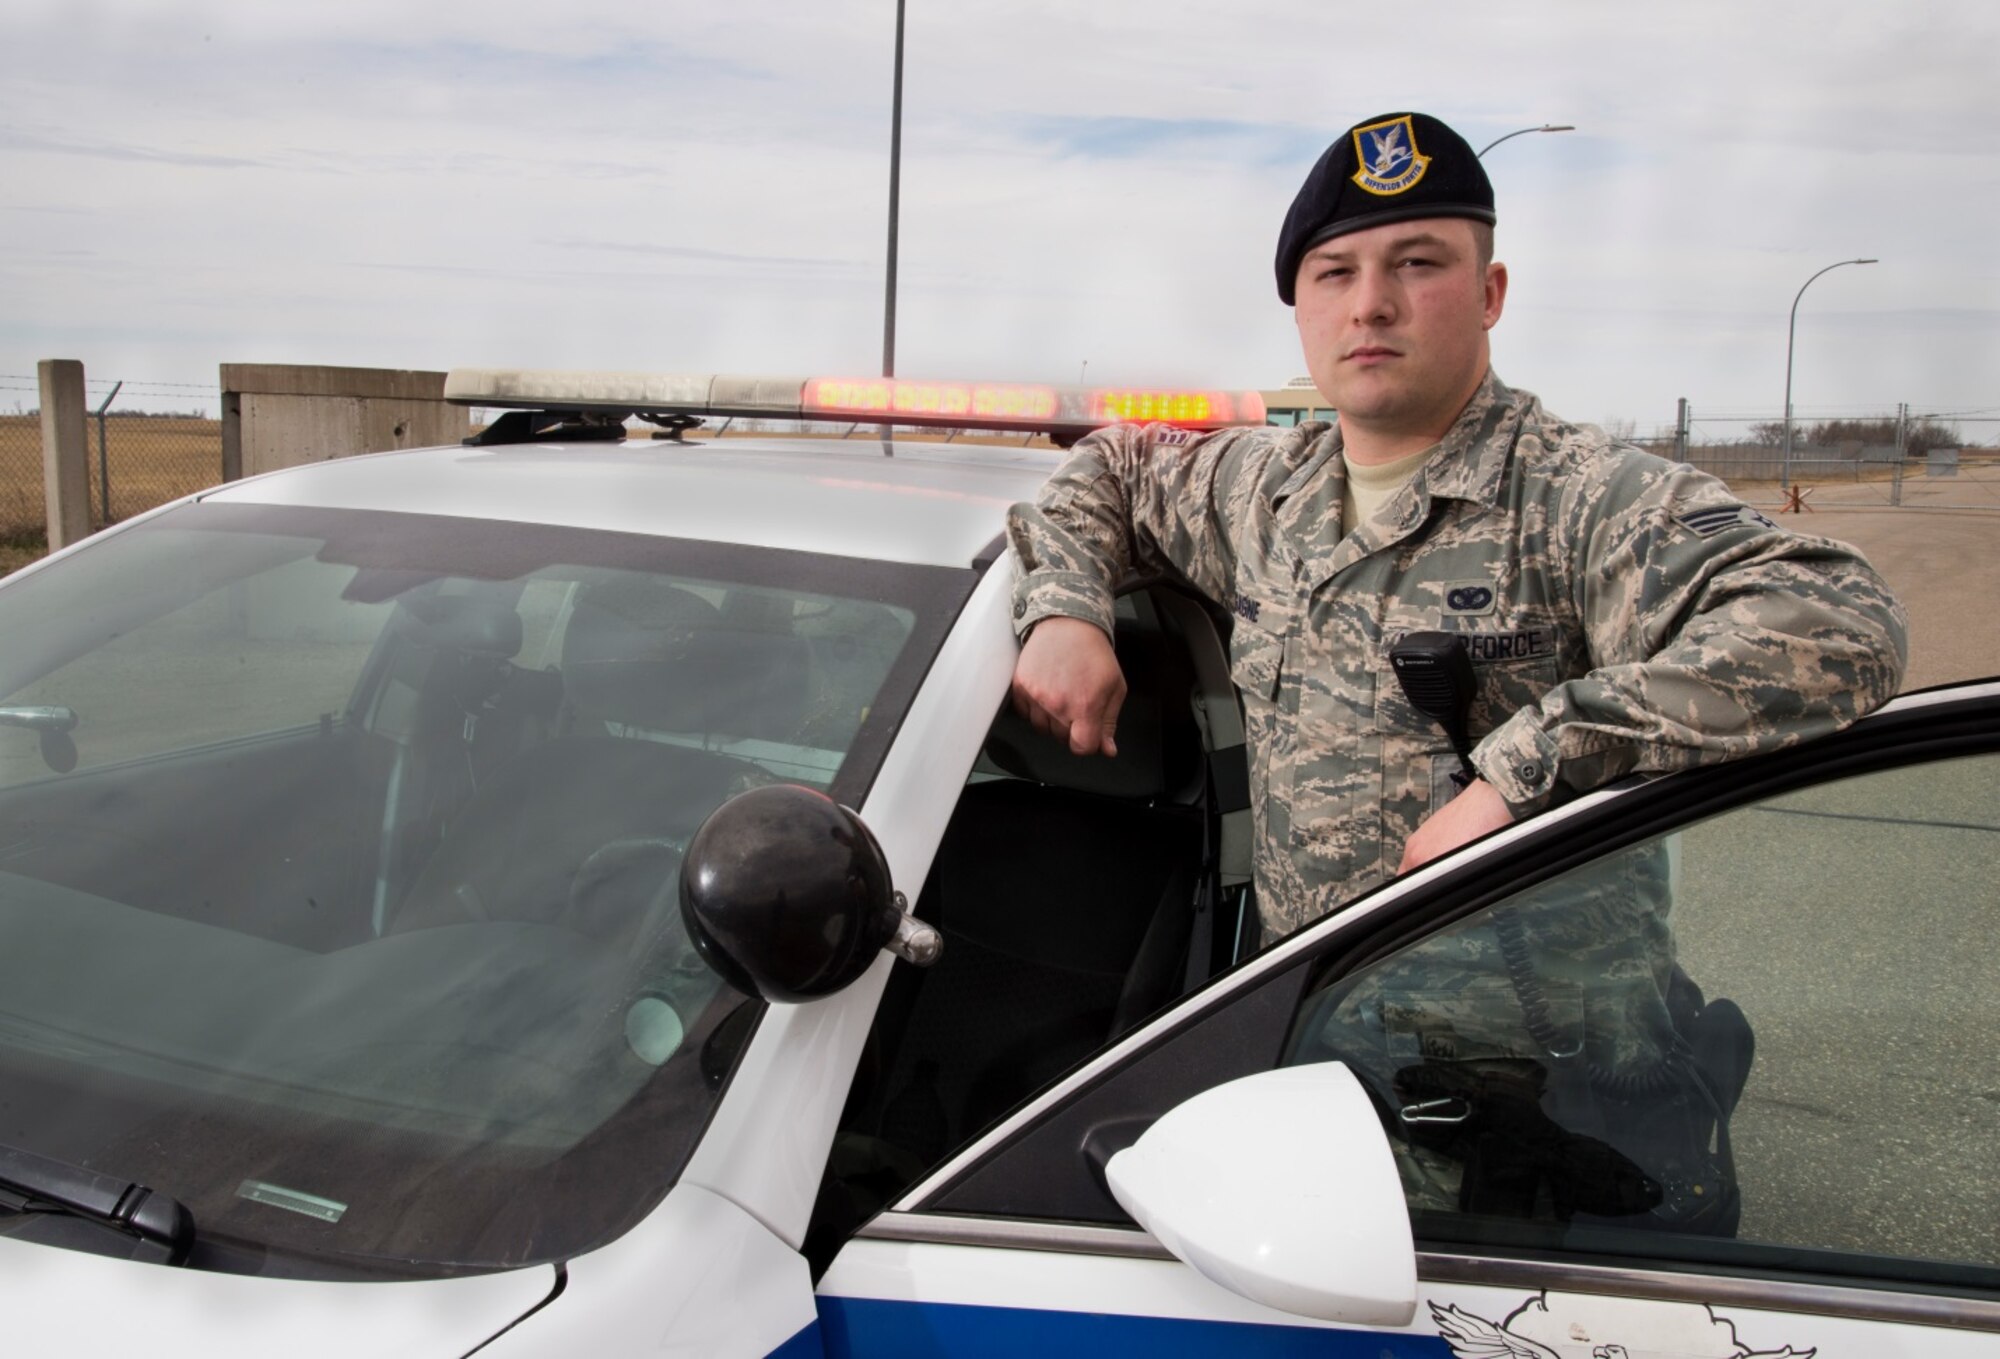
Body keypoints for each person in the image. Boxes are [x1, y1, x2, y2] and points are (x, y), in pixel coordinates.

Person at [1005, 111, 1907, 948]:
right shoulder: (1263, 491)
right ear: (1303, 308)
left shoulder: (1577, 498)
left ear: (1490, 292)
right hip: (1298, 1020)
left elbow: (1837, 619)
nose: (1370, 304)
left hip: (1536, 1065)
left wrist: (1529, 770)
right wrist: (1064, 609)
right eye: (1335, 273)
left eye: (1417, 263)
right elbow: (1112, 467)